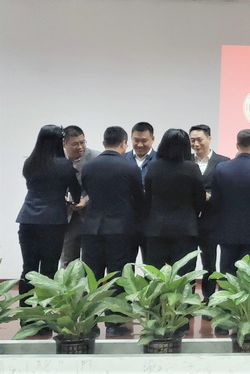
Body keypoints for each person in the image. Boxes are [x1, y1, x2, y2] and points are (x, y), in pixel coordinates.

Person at [80, 126, 145, 338]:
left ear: (103, 143)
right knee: (119, 277)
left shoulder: (88, 167)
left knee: (92, 277)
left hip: (92, 229)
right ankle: (114, 323)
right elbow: (139, 198)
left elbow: (88, 192)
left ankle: (90, 323)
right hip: (121, 230)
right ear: (124, 143)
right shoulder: (130, 167)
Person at [16, 125, 81, 335]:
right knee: (48, 270)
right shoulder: (64, 165)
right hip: (53, 222)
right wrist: (70, 201)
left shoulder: (30, 163)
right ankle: (46, 319)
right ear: (58, 141)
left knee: (28, 269)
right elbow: (76, 193)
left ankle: (26, 318)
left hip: (28, 220)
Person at [209, 129, 250, 274]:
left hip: (227, 231)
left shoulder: (221, 168)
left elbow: (215, 201)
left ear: (237, 145)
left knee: (228, 274)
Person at [143, 129, 205, 276]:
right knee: (183, 276)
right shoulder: (192, 168)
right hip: (186, 229)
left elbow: (148, 198)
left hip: (157, 229)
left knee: (156, 276)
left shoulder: (153, 167)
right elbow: (200, 199)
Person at [189, 124, 230, 306]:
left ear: (209, 139)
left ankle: (209, 298)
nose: (196, 144)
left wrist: (210, 196)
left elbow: (227, 190)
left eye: (199, 140)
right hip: (188, 220)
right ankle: (188, 299)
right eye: (192, 140)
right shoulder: (185, 161)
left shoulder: (223, 162)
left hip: (212, 220)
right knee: (188, 263)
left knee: (209, 262)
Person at [60, 125, 101, 267]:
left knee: (91, 260)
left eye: (82, 142)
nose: (80, 147)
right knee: (68, 259)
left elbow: (101, 186)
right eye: (75, 144)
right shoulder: (57, 159)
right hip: (67, 216)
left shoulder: (96, 158)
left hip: (91, 215)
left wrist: (86, 200)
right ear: (64, 144)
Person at [124, 121, 156, 261]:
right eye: (136, 140)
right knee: (125, 265)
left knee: (151, 265)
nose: (140, 144)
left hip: (151, 221)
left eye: (144, 141)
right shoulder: (122, 159)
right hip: (127, 222)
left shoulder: (160, 161)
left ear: (153, 139)